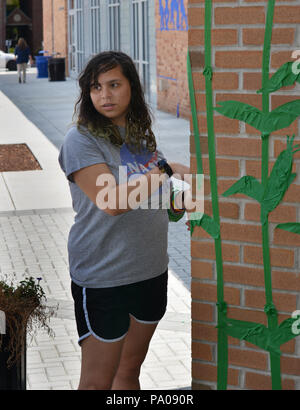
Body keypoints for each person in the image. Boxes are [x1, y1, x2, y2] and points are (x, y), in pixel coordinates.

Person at [58, 51, 191, 390]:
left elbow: (153, 198)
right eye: (96, 87)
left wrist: (185, 202)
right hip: (104, 276)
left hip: (150, 271)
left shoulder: (140, 136)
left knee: (128, 374)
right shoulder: (81, 140)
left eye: (114, 85)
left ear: (132, 86)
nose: (105, 95)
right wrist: (166, 169)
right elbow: (113, 201)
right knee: (96, 383)